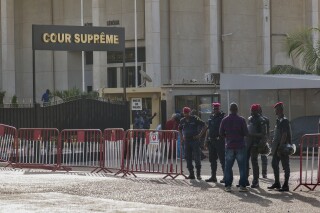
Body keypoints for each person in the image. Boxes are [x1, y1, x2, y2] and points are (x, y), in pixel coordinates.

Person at [219, 103, 249, 192]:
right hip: (240, 146)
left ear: (230, 110)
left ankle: (228, 186)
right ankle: (242, 186)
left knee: (228, 167)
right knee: (242, 167)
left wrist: (227, 137)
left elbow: (220, 133)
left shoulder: (224, 120)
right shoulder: (242, 120)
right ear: (237, 109)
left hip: (229, 146)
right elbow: (246, 133)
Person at [267, 102, 292, 192]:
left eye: (276, 110)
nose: (275, 112)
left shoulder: (284, 120)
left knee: (285, 166)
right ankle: (277, 183)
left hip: (283, 147)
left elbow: (284, 134)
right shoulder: (279, 120)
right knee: (274, 164)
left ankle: (285, 185)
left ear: (280, 110)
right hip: (277, 147)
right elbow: (278, 132)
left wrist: (281, 146)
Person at [179, 106, 207, 180]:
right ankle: (191, 174)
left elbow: (204, 125)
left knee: (197, 157)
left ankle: (198, 174)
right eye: (184, 113)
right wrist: (181, 137)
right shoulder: (182, 120)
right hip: (187, 141)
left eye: (187, 113)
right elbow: (179, 129)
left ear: (190, 112)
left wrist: (200, 135)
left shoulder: (195, 118)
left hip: (195, 140)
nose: (186, 114)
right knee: (188, 158)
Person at [246, 104, 267, 188]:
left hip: (255, 143)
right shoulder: (250, 119)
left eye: (254, 110)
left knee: (254, 162)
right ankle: (245, 179)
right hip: (248, 142)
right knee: (245, 161)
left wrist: (253, 134)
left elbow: (263, 133)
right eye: (251, 110)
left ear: (257, 111)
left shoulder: (261, 120)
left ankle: (256, 181)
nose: (252, 112)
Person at [205, 102, 225, 183]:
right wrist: (206, 140)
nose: (215, 110)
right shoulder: (211, 117)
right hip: (211, 140)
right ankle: (213, 177)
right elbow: (208, 129)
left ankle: (225, 177)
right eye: (214, 108)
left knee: (222, 160)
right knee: (212, 160)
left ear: (219, 109)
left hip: (219, 141)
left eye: (217, 108)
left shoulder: (222, 117)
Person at [257, 104, 270, 178]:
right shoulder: (265, 119)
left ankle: (263, 173)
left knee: (262, 157)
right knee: (262, 157)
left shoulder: (264, 119)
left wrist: (267, 139)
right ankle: (263, 173)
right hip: (261, 140)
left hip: (261, 140)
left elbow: (267, 131)